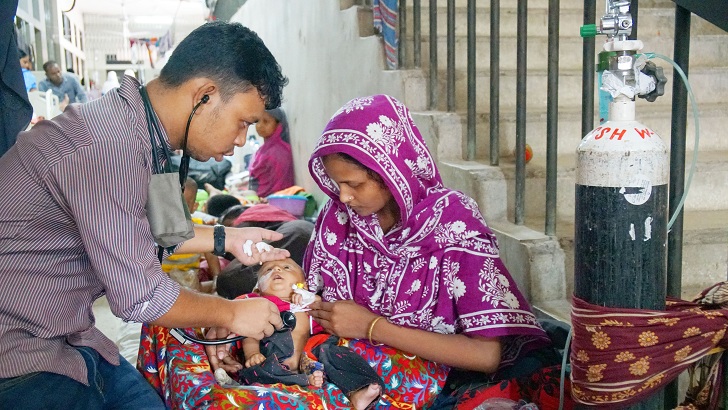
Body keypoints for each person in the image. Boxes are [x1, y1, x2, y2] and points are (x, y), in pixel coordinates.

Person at [0, 21, 289, 409]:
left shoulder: (146, 132)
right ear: (204, 95)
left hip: (70, 338)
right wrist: (232, 313)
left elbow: (166, 227)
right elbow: (140, 296)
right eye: (242, 123)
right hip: (18, 356)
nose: (241, 142)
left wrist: (228, 239)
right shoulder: (110, 147)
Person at [207, 95, 553, 405]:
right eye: (336, 183)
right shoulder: (337, 218)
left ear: (393, 173)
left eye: (354, 184)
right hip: (341, 369)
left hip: (424, 382)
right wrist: (234, 320)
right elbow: (305, 302)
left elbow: (486, 356)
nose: (342, 196)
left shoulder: (452, 223)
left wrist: (373, 327)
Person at [234, 258, 384, 410]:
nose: (277, 270)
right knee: (257, 370)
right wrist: (252, 353)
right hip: (274, 358)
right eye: (268, 270)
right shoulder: (260, 304)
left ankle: (358, 390)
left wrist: (310, 298)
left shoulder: (309, 304)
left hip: (312, 357)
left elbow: (330, 311)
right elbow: (249, 332)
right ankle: (303, 380)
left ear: (304, 285)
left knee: (337, 354)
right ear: (257, 290)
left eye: (286, 267)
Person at [161, 178, 222, 293]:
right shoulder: (153, 227)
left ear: (194, 207)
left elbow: (211, 255)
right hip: (161, 283)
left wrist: (217, 279)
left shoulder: (199, 227)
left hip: (190, 280)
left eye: (184, 206)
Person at [247, 108, 294, 197]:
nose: (260, 125)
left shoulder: (278, 153)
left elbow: (281, 187)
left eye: (266, 121)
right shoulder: (263, 150)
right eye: (257, 121)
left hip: (270, 201)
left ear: (278, 125)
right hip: (258, 198)